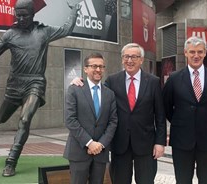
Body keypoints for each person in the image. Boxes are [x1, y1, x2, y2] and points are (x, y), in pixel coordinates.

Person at [0, 0, 81, 177]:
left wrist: (74, 11)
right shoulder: (10, 35)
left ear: (33, 14)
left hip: (35, 82)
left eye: (25, 15)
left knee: (25, 119)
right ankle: (5, 116)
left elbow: (66, 29)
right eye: (18, 15)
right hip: (14, 85)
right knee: (1, 118)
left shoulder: (44, 32)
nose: (21, 18)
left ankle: (10, 162)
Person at [71, 43, 167, 184]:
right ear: (122, 59)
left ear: (141, 60)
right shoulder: (112, 80)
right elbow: (96, 91)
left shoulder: (153, 82)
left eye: (134, 57)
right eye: (126, 56)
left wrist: (160, 142)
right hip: (120, 145)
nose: (130, 60)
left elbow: (160, 115)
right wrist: (79, 81)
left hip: (146, 144)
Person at [162, 36, 207, 184]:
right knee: (183, 180)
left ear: (205, 53)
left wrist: (206, 120)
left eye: (199, 52)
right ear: (185, 52)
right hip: (181, 141)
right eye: (192, 52)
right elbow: (166, 106)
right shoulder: (174, 78)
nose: (196, 56)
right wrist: (181, 121)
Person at [64, 53, 117, 184]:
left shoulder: (109, 94)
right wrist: (89, 143)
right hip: (79, 151)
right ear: (85, 69)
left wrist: (101, 144)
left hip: (101, 152)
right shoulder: (74, 90)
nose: (98, 70)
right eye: (94, 66)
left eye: (101, 66)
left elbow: (113, 121)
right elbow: (70, 119)